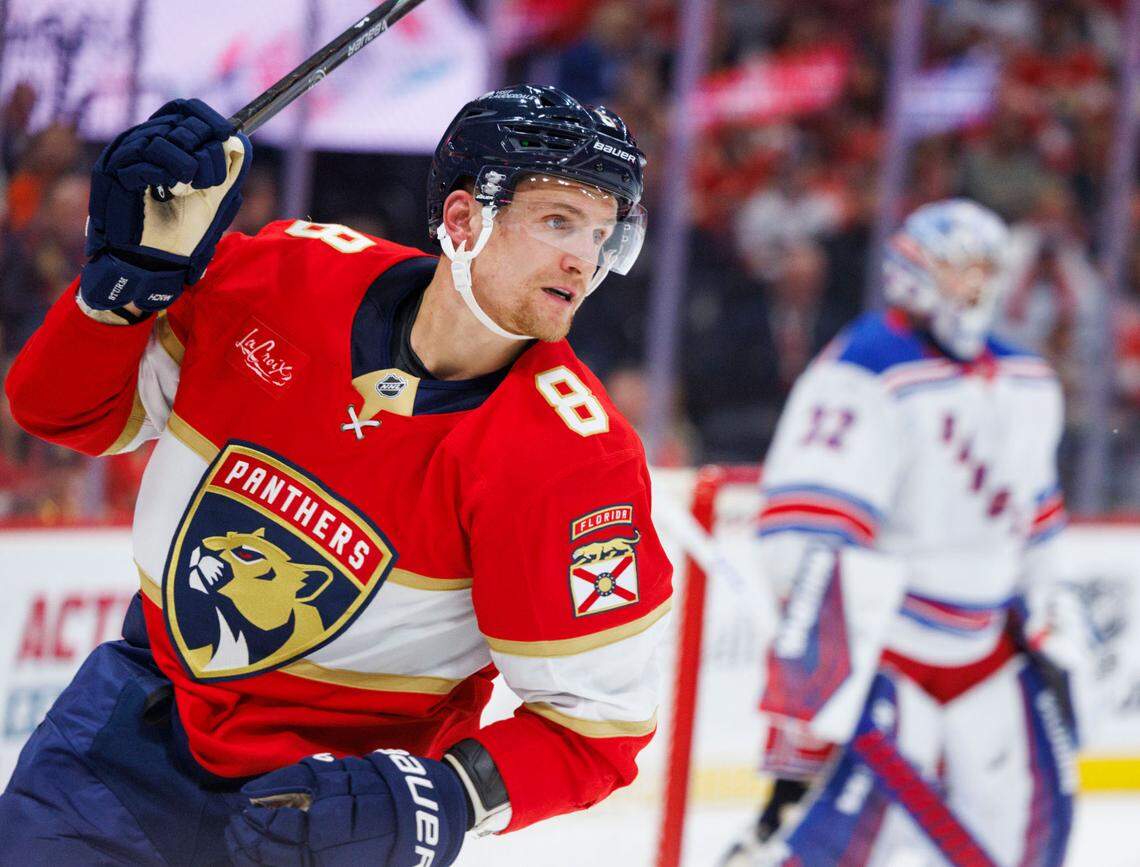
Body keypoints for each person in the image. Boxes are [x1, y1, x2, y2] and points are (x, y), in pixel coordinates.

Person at [1, 85, 672, 867]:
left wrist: (445, 797)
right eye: (559, 221)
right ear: (463, 220)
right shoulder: (287, 276)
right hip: (128, 736)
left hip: (330, 815)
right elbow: (62, 413)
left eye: (600, 234)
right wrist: (121, 285)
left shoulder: (574, 461)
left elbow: (598, 727)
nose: (582, 261)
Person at [722, 199, 1090, 866]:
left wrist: (1049, 602)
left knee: (1027, 833)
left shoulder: (1028, 378)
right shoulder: (867, 367)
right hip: (889, 656)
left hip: (988, 650)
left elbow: (1036, 516)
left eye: (984, 270)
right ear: (913, 271)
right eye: (959, 269)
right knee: (838, 841)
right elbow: (804, 534)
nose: (974, 287)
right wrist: (827, 649)